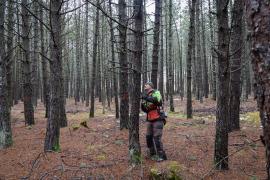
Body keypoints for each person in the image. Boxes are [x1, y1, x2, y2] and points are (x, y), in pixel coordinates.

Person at [141, 82, 167, 161]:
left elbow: (158, 101)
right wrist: (142, 104)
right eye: (144, 84)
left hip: (158, 118)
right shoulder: (146, 95)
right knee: (148, 137)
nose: (145, 85)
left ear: (151, 86)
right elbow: (145, 109)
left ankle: (162, 156)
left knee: (157, 138)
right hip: (149, 119)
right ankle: (152, 154)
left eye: (147, 84)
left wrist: (146, 98)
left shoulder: (156, 92)